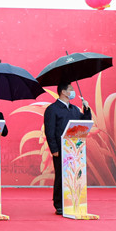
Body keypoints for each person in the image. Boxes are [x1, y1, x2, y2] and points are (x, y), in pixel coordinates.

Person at [43, 81, 92, 215]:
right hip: (60, 150)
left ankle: (73, 200)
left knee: (74, 175)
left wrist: (86, 110)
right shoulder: (52, 109)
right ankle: (59, 204)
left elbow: (84, 123)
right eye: (71, 89)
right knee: (61, 176)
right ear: (63, 92)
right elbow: (49, 131)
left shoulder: (74, 109)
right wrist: (54, 149)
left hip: (74, 149)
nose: (73, 92)